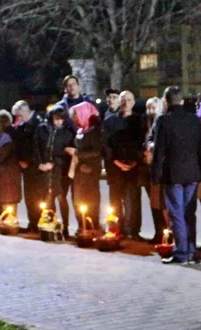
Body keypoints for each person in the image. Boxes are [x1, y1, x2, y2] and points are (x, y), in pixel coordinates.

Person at [152, 85, 201, 264]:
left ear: (166, 102)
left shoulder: (164, 121)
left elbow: (159, 151)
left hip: (173, 174)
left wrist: (155, 175)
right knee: (189, 212)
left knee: (176, 213)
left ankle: (181, 253)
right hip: (192, 173)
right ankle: (191, 251)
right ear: (181, 101)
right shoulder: (195, 120)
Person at [104, 91, 146, 238]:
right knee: (115, 201)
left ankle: (133, 231)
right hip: (115, 167)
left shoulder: (139, 121)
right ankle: (116, 229)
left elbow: (142, 142)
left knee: (133, 201)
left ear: (133, 102)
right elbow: (106, 144)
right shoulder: (109, 121)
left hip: (134, 167)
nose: (125, 103)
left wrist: (135, 161)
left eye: (129, 100)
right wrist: (115, 161)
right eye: (123, 100)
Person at [38, 104, 76, 238]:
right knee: (48, 198)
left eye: (61, 119)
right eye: (56, 118)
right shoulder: (42, 129)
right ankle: (50, 225)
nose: (58, 121)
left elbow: (68, 151)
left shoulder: (67, 133)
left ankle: (65, 227)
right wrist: (41, 163)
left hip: (60, 170)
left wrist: (54, 162)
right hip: (45, 169)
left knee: (61, 198)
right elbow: (37, 147)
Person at [68, 100, 103, 234]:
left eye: (76, 116)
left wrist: (77, 153)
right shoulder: (81, 130)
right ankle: (82, 225)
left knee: (90, 200)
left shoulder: (94, 131)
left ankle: (92, 226)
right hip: (79, 170)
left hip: (90, 170)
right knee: (78, 199)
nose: (74, 120)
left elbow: (97, 151)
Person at [11, 100, 46, 232]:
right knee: (29, 196)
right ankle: (32, 222)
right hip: (25, 167)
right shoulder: (22, 125)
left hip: (36, 166)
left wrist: (30, 161)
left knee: (38, 197)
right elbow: (18, 144)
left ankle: (41, 223)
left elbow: (39, 146)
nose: (18, 118)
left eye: (19, 115)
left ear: (25, 110)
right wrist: (20, 160)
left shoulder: (38, 123)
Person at [143, 96, 168, 241]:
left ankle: (166, 233)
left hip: (160, 169)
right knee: (154, 203)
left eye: (154, 108)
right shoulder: (145, 123)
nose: (151, 111)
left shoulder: (162, 123)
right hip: (148, 167)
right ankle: (158, 232)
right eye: (148, 108)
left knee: (162, 203)